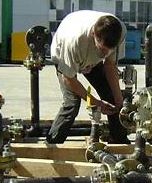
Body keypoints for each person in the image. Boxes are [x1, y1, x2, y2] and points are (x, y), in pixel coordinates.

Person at [46, 10, 130, 144]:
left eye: (110, 50)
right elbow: (69, 79)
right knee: (72, 104)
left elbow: (110, 65)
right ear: (93, 35)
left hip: (90, 59)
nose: (105, 54)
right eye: (103, 49)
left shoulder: (119, 31)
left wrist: (119, 100)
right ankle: (52, 143)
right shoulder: (74, 40)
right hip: (66, 57)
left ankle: (119, 141)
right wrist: (96, 103)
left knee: (112, 97)